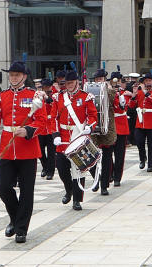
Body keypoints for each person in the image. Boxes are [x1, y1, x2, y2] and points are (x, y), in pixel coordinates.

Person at [0, 61, 47, 243]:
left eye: (17, 75)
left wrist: (29, 131)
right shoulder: (1, 97)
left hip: (28, 150)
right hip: (7, 150)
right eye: (11, 75)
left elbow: (42, 122)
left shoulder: (35, 96)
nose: (14, 78)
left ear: (24, 76)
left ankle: (21, 229)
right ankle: (15, 218)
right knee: (3, 187)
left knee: (26, 191)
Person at [50, 70, 97, 210]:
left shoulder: (85, 97)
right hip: (63, 137)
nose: (69, 85)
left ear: (77, 82)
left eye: (71, 82)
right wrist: (56, 134)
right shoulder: (58, 97)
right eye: (67, 83)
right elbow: (53, 117)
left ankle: (77, 199)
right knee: (62, 169)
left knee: (78, 169)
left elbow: (93, 115)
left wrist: (90, 126)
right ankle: (68, 189)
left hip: (78, 135)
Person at [90, 69, 117, 195]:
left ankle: (104, 185)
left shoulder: (110, 90)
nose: (99, 81)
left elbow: (114, 103)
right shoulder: (89, 90)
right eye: (97, 79)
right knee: (91, 157)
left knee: (107, 157)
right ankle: (97, 179)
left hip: (107, 127)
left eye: (101, 79)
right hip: (93, 128)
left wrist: (110, 90)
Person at [129, 72, 152, 172]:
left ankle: (150, 165)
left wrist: (145, 93)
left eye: (149, 80)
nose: (148, 82)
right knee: (139, 142)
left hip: (151, 122)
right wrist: (134, 94)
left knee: (151, 145)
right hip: (140, 121)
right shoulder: (139, 93)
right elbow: (131, 105)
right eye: (146, 81)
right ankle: (142, 159)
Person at [111, 72, 131, 186]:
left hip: (121, 126)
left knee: (119, 154)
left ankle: (117, 177)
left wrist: (119, 94)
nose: (117, 84)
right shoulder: (107, 93)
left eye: (119, 82)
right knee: (107, 154)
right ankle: (110, 173)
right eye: (115, 82)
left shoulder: (125, 94)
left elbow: (123, 106)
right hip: (110, 126)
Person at [39, 78, 56, 180]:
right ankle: (45, 167)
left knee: (51, 152)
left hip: (51, 127)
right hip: (41, 127)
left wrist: (50, 100)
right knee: (40, 151)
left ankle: (50, 172)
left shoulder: (54, 95)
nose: (46, 89)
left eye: (48, 87)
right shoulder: (38, 95)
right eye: (44, 87)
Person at [126, 73, 140, 146]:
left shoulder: (127, 86)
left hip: (129, 107)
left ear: (130, 78)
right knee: (135, 125)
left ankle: (129, 139)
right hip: (136, 108)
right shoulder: (139, 86)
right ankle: (135, 140)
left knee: (129, 124)